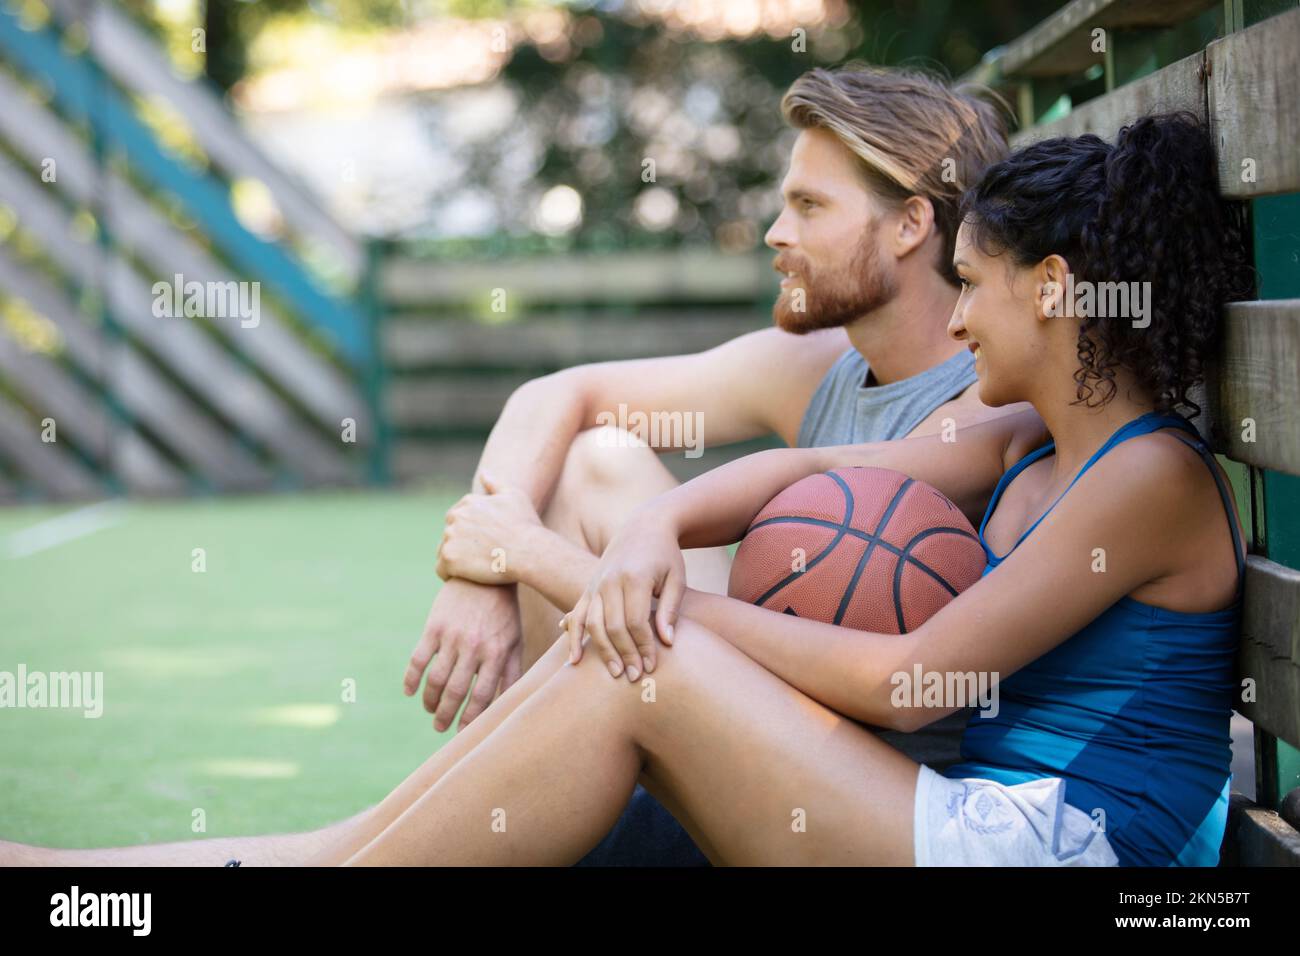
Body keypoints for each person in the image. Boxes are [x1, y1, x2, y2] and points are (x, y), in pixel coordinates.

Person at [5, 111, 1252, 866]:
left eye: (975, 285)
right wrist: (655, 522)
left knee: (634, 658)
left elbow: (903, 674)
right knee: (624, 656)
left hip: (1058, 851)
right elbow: (806, 469)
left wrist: (579, 577)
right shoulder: (1021, 438)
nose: (961, 317)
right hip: (967, 817)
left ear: (1048, 290)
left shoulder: (1145, 479)